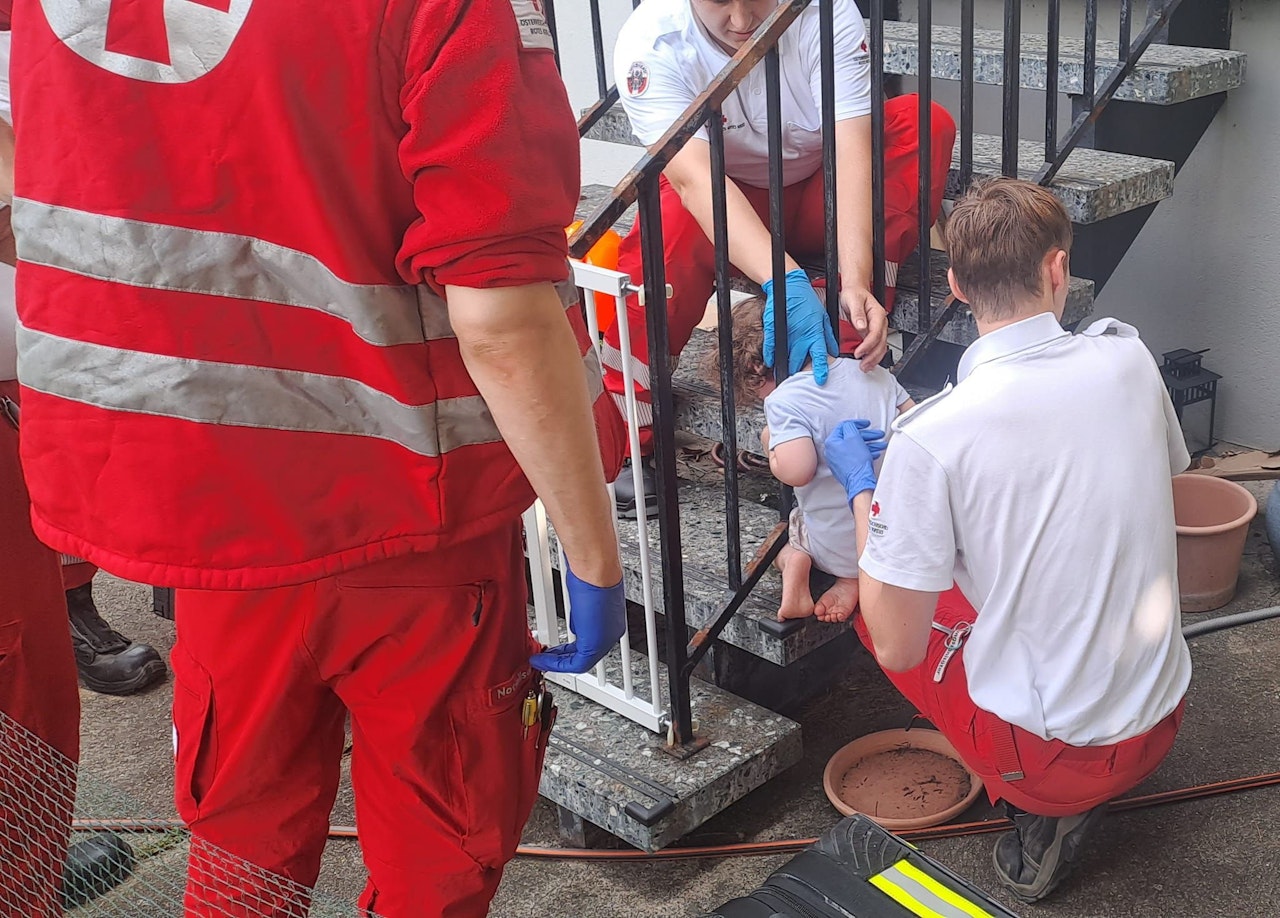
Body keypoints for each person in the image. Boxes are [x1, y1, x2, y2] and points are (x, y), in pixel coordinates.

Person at [6, 1, 627, 916]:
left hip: (201, 500)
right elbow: (500, 313)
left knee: (239, 842)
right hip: (410, 515)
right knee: (439, 845)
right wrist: (592, 555)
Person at [824, 178, 1192, 902]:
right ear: (1058, 269)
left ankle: (1033, 811)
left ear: (956, 286)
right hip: (1164, 710)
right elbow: (1157, 480)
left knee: (877, 610)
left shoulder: (933, 436)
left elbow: (898, 640)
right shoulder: (1130, 358)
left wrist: (867, 491)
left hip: (1061, 764)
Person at [607, 0, 956, 517]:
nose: (744, 21)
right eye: (721, 1)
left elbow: (853, 153)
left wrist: (856, 278)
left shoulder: (828, 14)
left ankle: (843, 374)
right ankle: (628, 434)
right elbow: (694, 178)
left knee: (922, 122)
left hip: (820, 194)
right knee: (664, 224)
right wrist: (785, 280)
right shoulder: (649, 44)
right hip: (724, 206)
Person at [707, 295, 911, 623]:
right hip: (896, 534)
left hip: (832, 544)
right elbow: (916, 428)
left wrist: (770, 444)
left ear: (758, 370)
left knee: (792, 530)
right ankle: (852, 580)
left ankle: (795, 560)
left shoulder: (785, 400)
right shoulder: (874, 373)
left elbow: (798, 470)